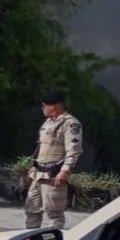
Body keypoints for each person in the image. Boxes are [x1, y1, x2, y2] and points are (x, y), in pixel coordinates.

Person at [26, 90, 83, 229]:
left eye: (45, 105)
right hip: (38, 174)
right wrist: (33, 166)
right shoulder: (47, 123)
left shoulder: (70, 124)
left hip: (53, 176)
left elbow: (73, 150)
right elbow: (41, 147)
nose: (43, 108)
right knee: (32, 211)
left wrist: (65, 170)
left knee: (54, 215)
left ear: (54, 106)